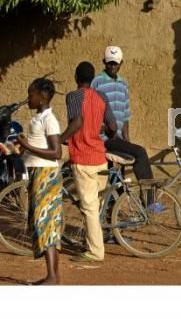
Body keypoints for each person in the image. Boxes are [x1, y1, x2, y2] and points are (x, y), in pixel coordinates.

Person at [60, 62, 117, 263]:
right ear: (93, 78)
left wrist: (58, 139)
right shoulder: (101, 97)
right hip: (100, 159)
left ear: (76, 77)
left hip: (83, 159)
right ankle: (92, 242)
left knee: (89, 209)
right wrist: (98, 129)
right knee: (96, 206)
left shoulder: (73, 96)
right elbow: (113, 127)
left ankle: (95, 252)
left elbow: (76, 123)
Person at [91, 47, 160, 209]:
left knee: (117, 181)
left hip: (118, 139)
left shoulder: (123, 84)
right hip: (106, 139)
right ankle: (150, 202)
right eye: (109, 63)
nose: (112, 66)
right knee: (141, 152)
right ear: (104, 63)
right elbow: (91, 111)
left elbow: (125, 116)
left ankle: (112, 223)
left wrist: (127, 142)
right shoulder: (97, 82)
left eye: (115, 63)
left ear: (121, 64)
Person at [15, 78, 63, 285]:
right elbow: (37, 145)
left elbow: (56, 152)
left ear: (42, 96)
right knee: (39, 222)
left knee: (46, 223)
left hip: (47, 175)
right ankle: (50, 275)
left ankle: (53, 276)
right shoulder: (39, 118)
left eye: (31, 94)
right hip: (37, 172)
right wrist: (22, 147)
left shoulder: (49, 119)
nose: (28, 99)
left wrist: (28, 145)